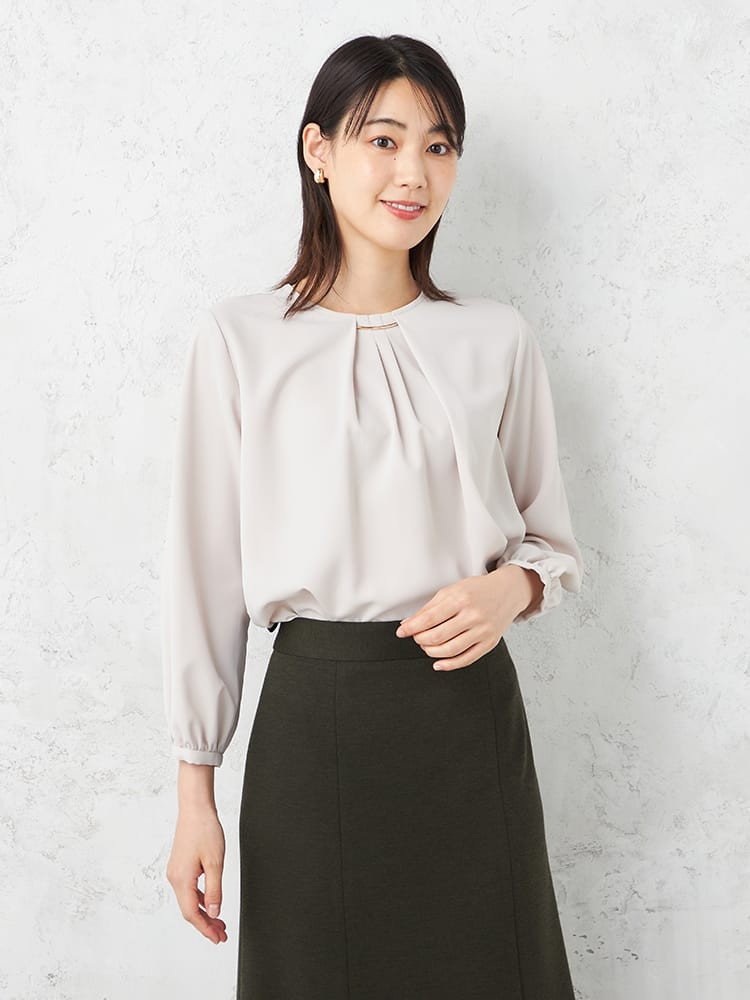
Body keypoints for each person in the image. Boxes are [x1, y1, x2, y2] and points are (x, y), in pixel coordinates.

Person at [161, 33, 584, 1000]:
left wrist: (511, 590)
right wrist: (195, 795)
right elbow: (204, 575)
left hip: (468, 721)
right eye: (383, 140)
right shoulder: (240, 339)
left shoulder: (496, 337)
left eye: (439, 147)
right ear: (318, 151)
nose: (413, 173)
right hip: (315, 726)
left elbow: (551, 543)